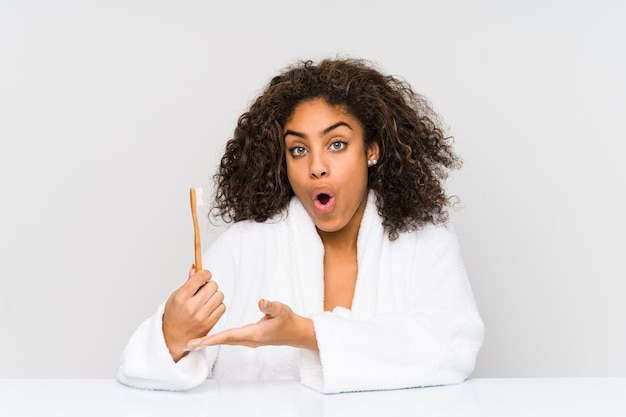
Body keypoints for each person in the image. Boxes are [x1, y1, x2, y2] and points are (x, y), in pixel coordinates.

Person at [117, 57, 484, 394]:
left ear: (372, 150)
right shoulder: (246, 246)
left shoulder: (424, 237)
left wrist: (305, 334)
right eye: (298, 149)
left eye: (337, 144)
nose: (316, 167)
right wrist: (172, 335)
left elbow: (452, 345)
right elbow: (137, 369)